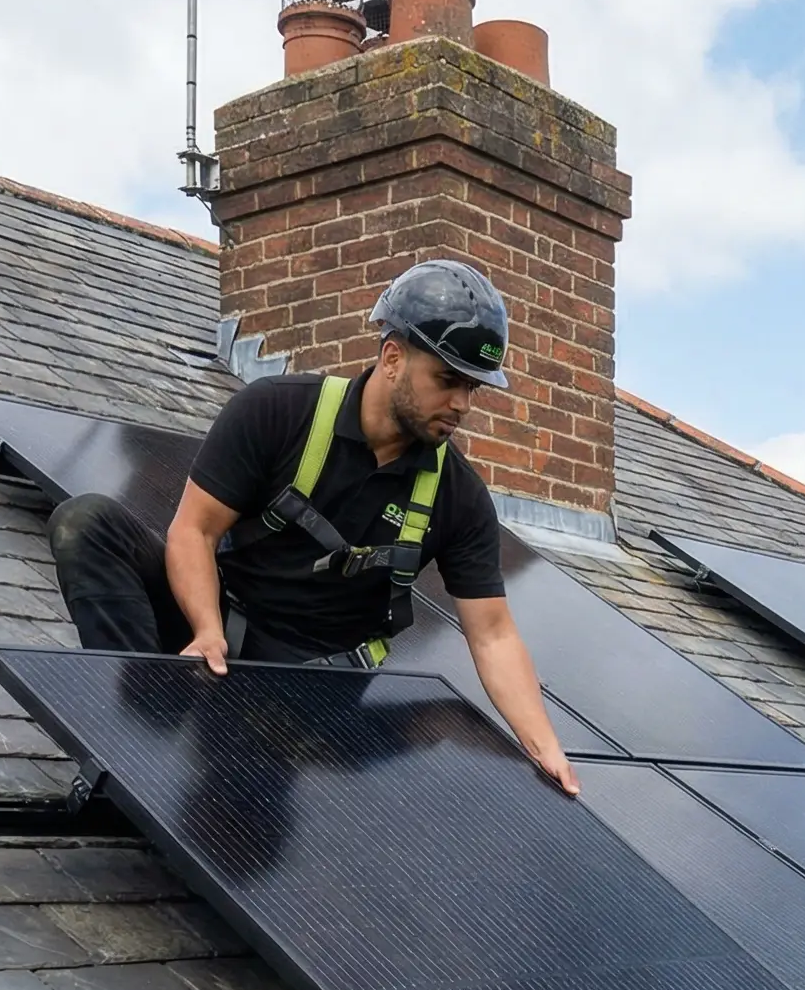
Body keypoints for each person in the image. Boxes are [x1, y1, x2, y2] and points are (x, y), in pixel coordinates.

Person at [49, 258, 577, 796]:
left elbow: (492, 634)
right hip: (218, 625)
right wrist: (206, 630)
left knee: (247, 852)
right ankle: (133, 738)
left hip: (311, 687)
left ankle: (237, 764)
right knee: (87, 523)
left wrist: (544, 746)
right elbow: (194, 532)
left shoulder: (458, 497)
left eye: (473, 388)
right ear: (393, 357)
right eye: (447, 380)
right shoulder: (276, 412)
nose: (462, 404)